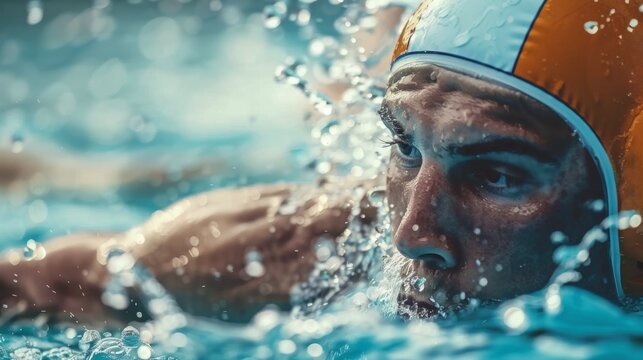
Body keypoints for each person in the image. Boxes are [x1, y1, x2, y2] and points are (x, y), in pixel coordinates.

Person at [0, 0, 641, 326]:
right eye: (405, 148)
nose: (411, 236)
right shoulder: (315, 248)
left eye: (496, 174)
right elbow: (33, 282)